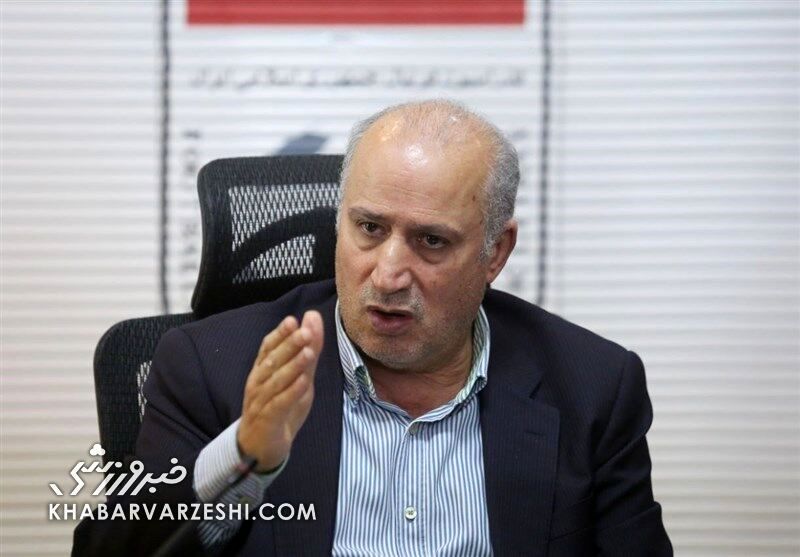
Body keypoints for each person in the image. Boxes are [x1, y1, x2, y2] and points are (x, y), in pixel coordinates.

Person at [74, 99, 672, 556]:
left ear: (495, 252)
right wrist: (244, 458)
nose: (387, 275)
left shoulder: (593, 387)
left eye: (430, 241)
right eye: (369, 228)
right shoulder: (211, 367)